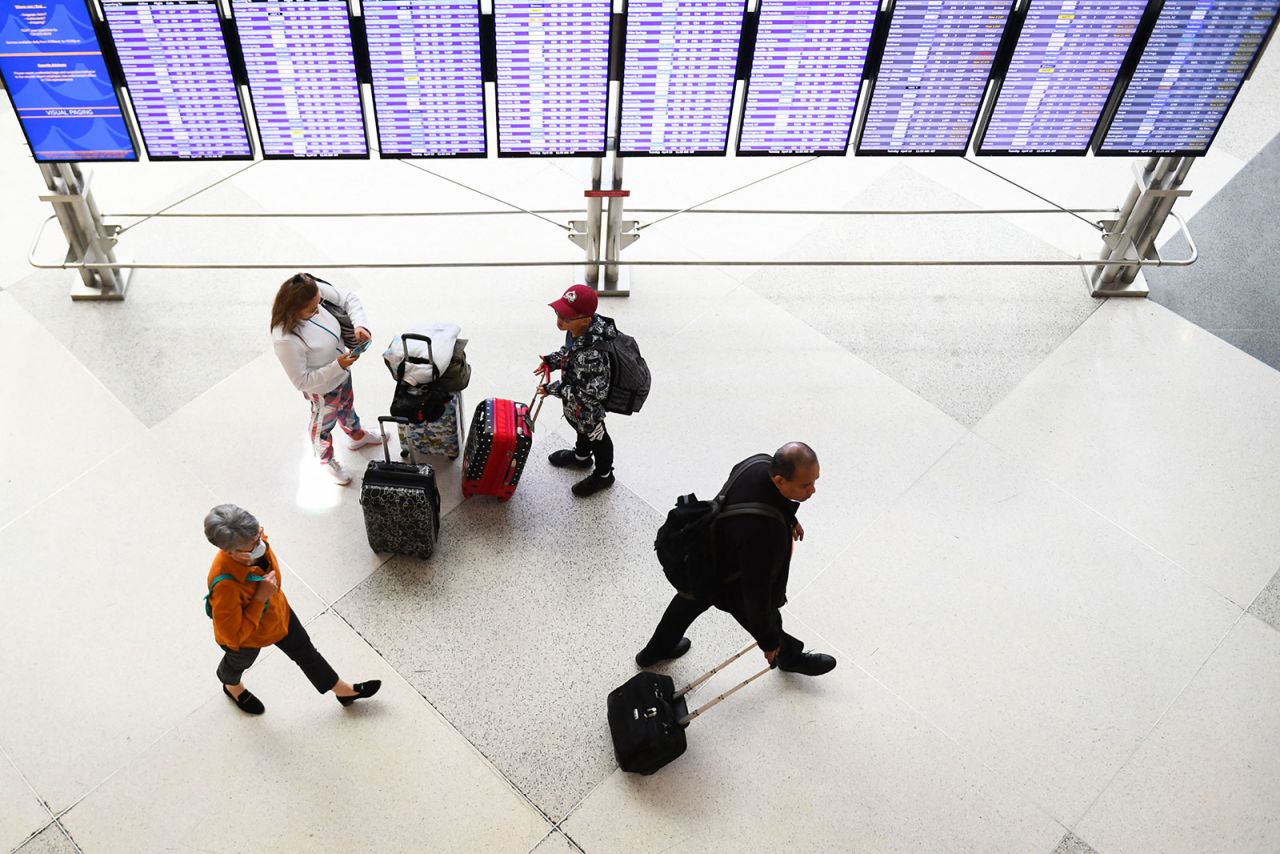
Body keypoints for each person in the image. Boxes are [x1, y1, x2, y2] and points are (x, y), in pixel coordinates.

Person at [636, 442, 837, 676]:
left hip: (701, 554)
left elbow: (757, 496)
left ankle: (654, 652)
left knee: (687, 602)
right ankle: (788, 657)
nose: (813, 490)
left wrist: (789, 518)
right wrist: (768, 642)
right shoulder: (762, 534)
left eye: (815, 481)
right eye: (806, 485)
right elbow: (757, 596)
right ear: (781, 480)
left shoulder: (757, 463)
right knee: (765, 616)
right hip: (726, 577)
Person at [203, 504, 380, 715]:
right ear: (230, 552)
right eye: (253, 544)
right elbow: (233, 636)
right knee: (238, 662)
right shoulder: (225, 584)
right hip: (246, 639)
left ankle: (343, 691)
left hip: (278, 614)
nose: (261, 543)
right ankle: (231, 685)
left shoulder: (254, 540)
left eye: (259, 534)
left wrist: (267, 592)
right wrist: (260, 597)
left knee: (306, 651)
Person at [271, 272, 381, 486]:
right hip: (323, 389)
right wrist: (337, 365)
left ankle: (356, 435)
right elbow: (301, 381)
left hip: (342, 371)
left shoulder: (314, 291)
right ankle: (325, 460)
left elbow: (348, 298)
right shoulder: (285, 339)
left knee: (347, 405)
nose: (319, 309)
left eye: (318, 304)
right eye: (312, 310)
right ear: (293, 310)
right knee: (322, 425)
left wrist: (360, 325)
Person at [536, 284, 617, 498]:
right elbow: (569, 353)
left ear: (585, 320)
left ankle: (604, 474)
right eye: (558, 313)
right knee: (580, 429)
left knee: (596, 436)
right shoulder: (578, 331)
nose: (559, 320)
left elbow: (589, 392)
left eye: (566, 318)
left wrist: (551, 389)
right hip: (578, 406)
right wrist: (551, 361)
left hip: (590, 406)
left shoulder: (591, 355)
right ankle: (582, 458)